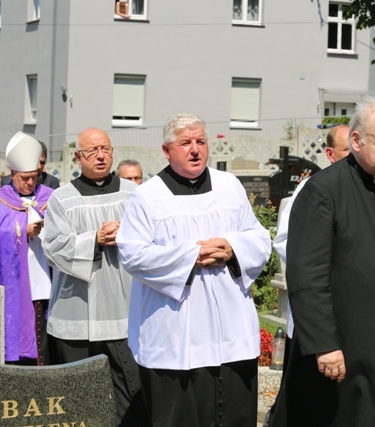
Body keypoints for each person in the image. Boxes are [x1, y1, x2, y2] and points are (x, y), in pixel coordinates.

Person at [269, 97, 375, 427]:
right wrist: (324, 344)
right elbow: (307, 276)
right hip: (347, 348)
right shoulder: (322, 191)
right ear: (357, 140)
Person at [115, 113, 271, 427]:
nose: (195, 149)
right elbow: (132, 254)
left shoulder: (229, 186)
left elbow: (259, 238)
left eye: (201, 141)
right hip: (174, 330)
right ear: (166, 150)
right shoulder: (147, 196)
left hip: (229, 327)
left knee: (235, 415)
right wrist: (191, 255)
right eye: (185, 143)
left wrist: (231, 247)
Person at [41, 128, 143, 427]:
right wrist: (95, 240)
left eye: (106, 149)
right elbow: (53, 248)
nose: (100, 156)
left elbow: (154, 238)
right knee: (77, 402)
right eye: (92, 151)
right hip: (78, 315)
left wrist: (125, 235)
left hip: (124, 312)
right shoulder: (63, 198)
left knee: (131, 395)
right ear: (78, 157)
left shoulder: (134, 193)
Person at [273, 123, 350, 340]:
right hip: (320, 299)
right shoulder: (311, 189)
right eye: (347, 151)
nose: (353, 156)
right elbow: (284, 240)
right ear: (330, 154)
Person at [0, 132, 54, 365]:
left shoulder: (49, 197)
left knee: (42, 338)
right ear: (12, 174)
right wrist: (23, 229)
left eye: (34, 177)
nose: (30, 183)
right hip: (15, 280)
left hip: (43, 277)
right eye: (24, 178)